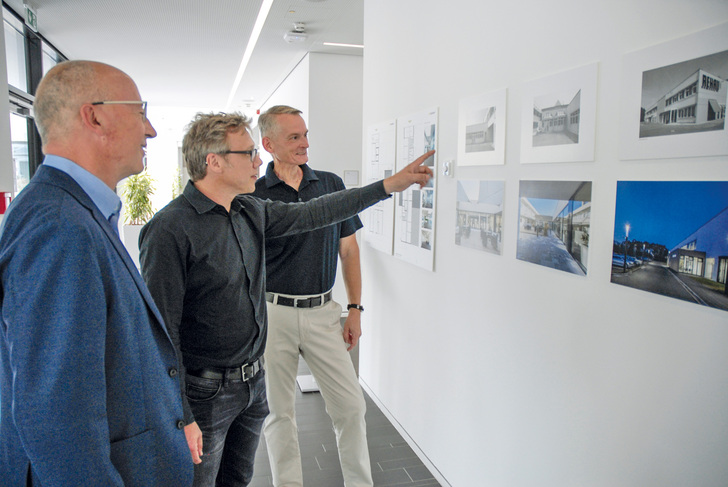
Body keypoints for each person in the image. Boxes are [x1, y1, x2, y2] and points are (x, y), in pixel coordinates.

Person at [138, 111, 432, 487]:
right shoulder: (169, 230)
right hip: (205, 393)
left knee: (238, 479)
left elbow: (316, 212)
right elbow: (161, 333)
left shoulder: (248, 210)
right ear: (214, 162)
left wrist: (389, 185)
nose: (258, 162)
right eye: (248, 153)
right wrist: (181, 415)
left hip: (250, 384)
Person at [0, 60, 193, 486]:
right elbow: (55, 417)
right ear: (96, 116)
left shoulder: (79, 214)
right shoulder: (59, 225)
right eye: (140, 111)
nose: (151, 130)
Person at [251, 105, 372, 486]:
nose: (305, 144)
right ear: (269, 144)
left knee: (351, 408)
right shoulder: (252, 192)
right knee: (278, 414)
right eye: (294, 137)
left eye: (305, 134)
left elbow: (349, 251)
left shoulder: (331, 185)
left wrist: (354, 309)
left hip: (323, 312)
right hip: (272, 315)